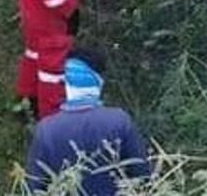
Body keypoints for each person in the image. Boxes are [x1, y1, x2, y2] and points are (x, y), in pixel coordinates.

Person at [26, 49, 152, 195]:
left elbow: (36, 186)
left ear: (67, 82)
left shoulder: (47, 129)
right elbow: (142, 175)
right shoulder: (119, 120)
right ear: (98, 81)